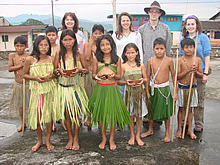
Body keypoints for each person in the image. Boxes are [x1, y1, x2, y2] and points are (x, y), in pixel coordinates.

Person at [88, 34, 131, 150]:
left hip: (112, 89)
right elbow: (93, 75)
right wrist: (99, 76)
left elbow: (119, 76)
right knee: (102, 116)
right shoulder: (96, 58)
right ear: (99, 46)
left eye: (107, 44)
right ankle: (103, 138)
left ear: (112, 45)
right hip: (100, 89)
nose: (105, 47)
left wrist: (113, 75)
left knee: (111, 115)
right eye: (102, 45)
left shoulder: (117, 59)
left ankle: (111, 139)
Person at [54, 29, 89, 150]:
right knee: (67, 115)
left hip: (76, 89)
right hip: (63, 89)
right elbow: (54, 71)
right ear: (61, 41)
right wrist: (60, 71)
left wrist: (79, 70)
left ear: (74, 40)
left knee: (76, 116)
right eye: (65, 40)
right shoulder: (59, 54)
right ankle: (70, 137)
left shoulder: (79, 53)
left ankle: (76, 138)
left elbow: (86, 70)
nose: (68, 42)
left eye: (70, 39)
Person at [23, 35, 56, 151]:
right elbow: (24, 75)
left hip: (49, 91)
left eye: (46, 45)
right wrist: (35, 78)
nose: (43, 47)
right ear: (36, 45)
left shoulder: (52, 58)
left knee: (48, 117)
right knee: (37, 118)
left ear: (49, 46)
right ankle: (39, 140)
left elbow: (56, 74)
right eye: (41, 45)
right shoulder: (30, 59)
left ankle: (48, 140)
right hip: (37, 92)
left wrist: (52, 76)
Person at [179, 15, 211, 132]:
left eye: (193, 24)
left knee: (198, 99)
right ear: (185, 26)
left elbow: (207, 55)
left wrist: (205, 73)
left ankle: (198, 123)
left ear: (197, 25)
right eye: (188, 24)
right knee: (185, 98)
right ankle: (184, 121)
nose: (191, 26)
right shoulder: (183, 39)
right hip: (186, 72)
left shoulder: (203, 38)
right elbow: (180, 56)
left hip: (199, 71)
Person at [141, 38, 177, 143]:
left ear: (165, 49)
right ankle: (150, 129)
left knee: (166, 111)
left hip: (165, 89)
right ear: (153, 49)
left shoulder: (169, 60)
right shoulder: (150, 61)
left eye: (161, 48)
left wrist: (175, 91)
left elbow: (174, 76)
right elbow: (147, 77)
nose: (159, 51)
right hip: (154, 89)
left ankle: (167, 133)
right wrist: (147, 91)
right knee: (151, 110)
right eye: (157, 48)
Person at [118, 43, 148, 146]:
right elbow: (119, 81)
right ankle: (131, 135)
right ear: (125, 54)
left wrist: (141, 81)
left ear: (137, 53)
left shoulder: (141, 65)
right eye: (128, 53)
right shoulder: (123, 66)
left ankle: (138, 135)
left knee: (139, 115)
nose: (131, 55)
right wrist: (126, 82)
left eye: (133, 52)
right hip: (129, 93)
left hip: (139, 93)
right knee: (131, 115)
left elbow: (146, 78)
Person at [176, 38, 203, 139]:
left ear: (194, 48)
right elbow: (177, 77)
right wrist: (188, 70)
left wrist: (196, 72)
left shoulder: (197, 60)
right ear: (182, 49)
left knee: (190, 109)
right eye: (186, 48)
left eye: (191, 47)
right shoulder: (180, 60)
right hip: (182, 88)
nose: (189, 49)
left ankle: (190, 130)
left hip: (192, 88)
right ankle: (179, 129)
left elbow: (200, 75)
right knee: (180, 109)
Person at [112, 12, 143, 98]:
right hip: (121, 67)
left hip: (133, 68)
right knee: (121, 92)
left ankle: (133, 112)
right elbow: (113, 51)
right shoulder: (115, 35)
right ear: (120, 22)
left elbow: (140, 50)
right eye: (123, 21)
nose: (125, 23)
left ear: (130, 22)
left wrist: (139, 66)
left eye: (127, 20)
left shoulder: (136, 35)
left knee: (134, 95)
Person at [139, 1, 171, 68]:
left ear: (160, 14)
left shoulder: (165, 29)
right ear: (148, 12)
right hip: (145, 63)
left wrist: (167, 61)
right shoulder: (141, 29)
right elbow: (140, 47)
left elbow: (168, 47)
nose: (154, 14)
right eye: (152, 11)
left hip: (161, 64)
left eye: (156, 12)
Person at [8, 36, 30, 132]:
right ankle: (22, 123)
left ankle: (32, 122)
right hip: (18, 84)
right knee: (21, 106)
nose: (19, 48)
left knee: (30, 104)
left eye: (21, 46)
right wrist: (20, 65)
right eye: (17, 46)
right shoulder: (12, 56)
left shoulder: (29, 55)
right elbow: (10, 68)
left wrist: (26, 63)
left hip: (28, 84)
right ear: (14, 46)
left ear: (26, 46)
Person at [84, 24, 104, 127]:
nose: (98, 35)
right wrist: (90, 44)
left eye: (100, 33)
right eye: (96, 33)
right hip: (90, 74)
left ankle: (100, 118)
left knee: (99, 98)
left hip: (100, 75)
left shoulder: (103, 45)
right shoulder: (88, 44)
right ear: (92, 34)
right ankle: (89, 117)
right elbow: (87, 58)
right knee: (89, 96)